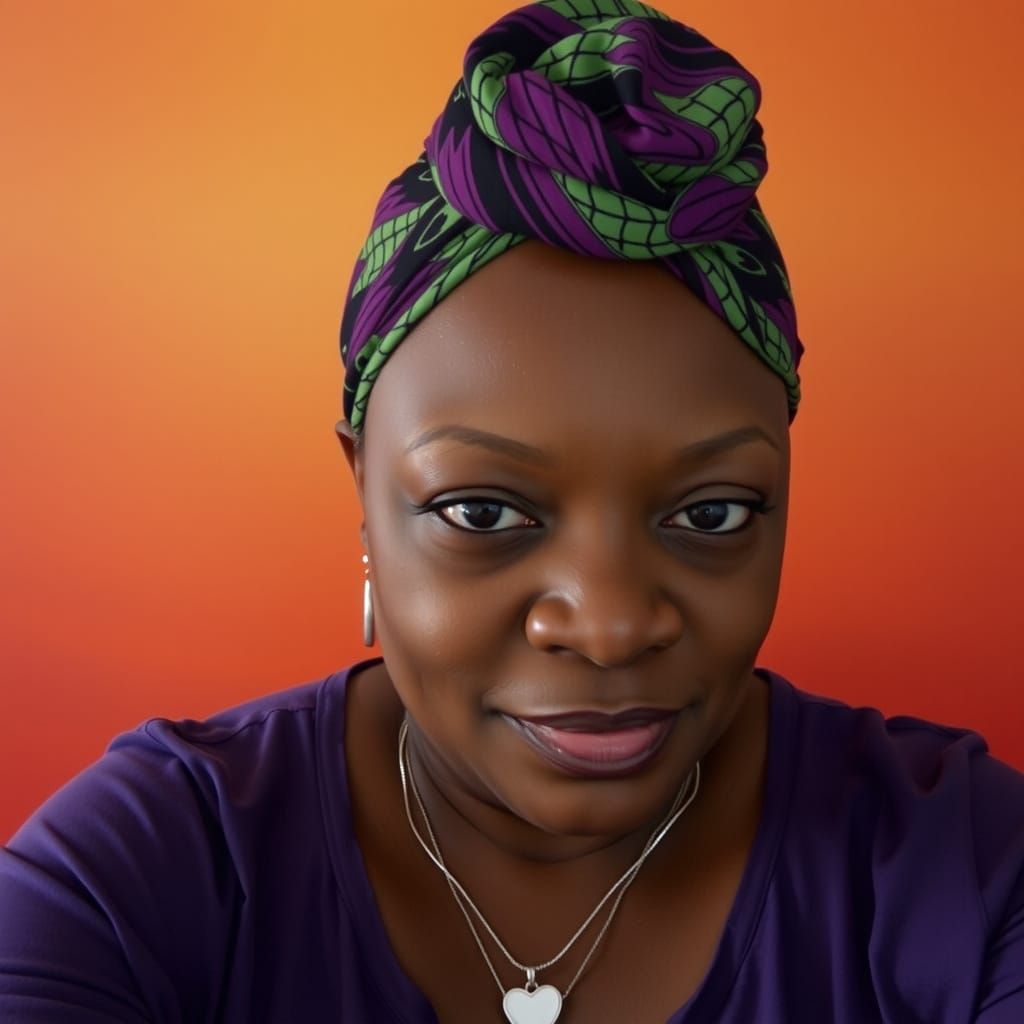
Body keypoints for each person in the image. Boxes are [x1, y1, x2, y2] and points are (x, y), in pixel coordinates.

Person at [1, 1, 1022, 1021]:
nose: (610, 626)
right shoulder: (139, 876)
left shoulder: (971, 875)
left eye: (712, 514)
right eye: (483, 513)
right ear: (363, 491)